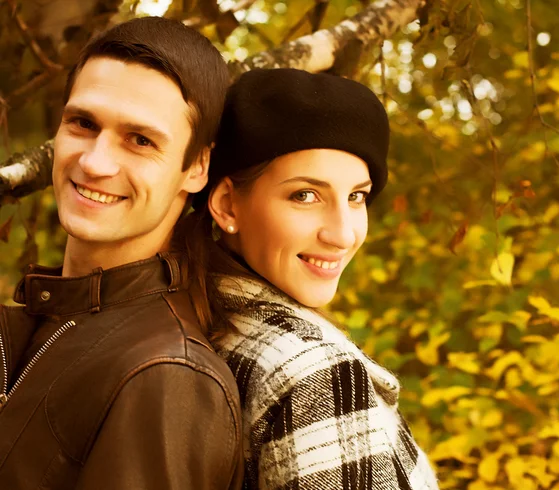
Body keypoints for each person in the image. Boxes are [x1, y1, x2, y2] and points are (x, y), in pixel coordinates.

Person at [0, 17, 243, 489]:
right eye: (83, 123)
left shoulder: (168, 378)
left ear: (196, 167)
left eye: (140, 140)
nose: (94, 162)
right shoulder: (36, 321)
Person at [183, 68, 439, 489]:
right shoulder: (317, 373)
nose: (342, 234)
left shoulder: (186, 316)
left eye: (357, 197)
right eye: (305, 195)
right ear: (227, 204)